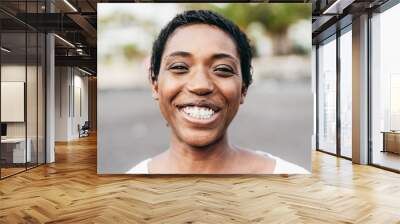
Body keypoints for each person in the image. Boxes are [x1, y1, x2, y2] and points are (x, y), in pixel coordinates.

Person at [127, 10, 309, 174]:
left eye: (222, 69)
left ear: (244, 89)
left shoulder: (293, 181)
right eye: (180, 67)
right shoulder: (127, 190)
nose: (201, 85)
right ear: (155, 84)